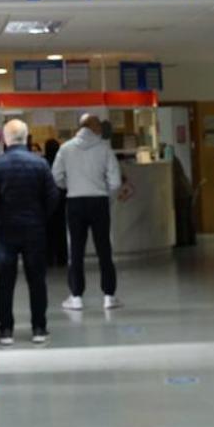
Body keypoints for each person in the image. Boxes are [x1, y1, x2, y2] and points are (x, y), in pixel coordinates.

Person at [0, 119, 59, 346]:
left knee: (4, 282)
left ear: (6, 139)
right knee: (37, 280)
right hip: (34, 230)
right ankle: (39, 328)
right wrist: (40, 217)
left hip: (5, 230)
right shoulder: (40, 164)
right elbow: (53, 196)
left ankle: (5, 330)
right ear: (26, 137)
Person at [53, 114, 123, 311]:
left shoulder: (65, 148)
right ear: (93, 127)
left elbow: (56, 176)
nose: (101, 129)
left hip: (74, 202)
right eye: (99, 126)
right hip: (99, 202)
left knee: (75, 250)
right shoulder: (104, 149)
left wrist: (71, 187)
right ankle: (109, 296)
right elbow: (116, 182)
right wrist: (106, 196)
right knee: (104, 249)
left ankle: (76, 297)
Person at [43, 138, 68, 267]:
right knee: (61, 229)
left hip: (46, 201)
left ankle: (48, 259)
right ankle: (62, 258)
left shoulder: (43, 163)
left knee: (48, 231)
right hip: (61, 199)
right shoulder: (62, 162)